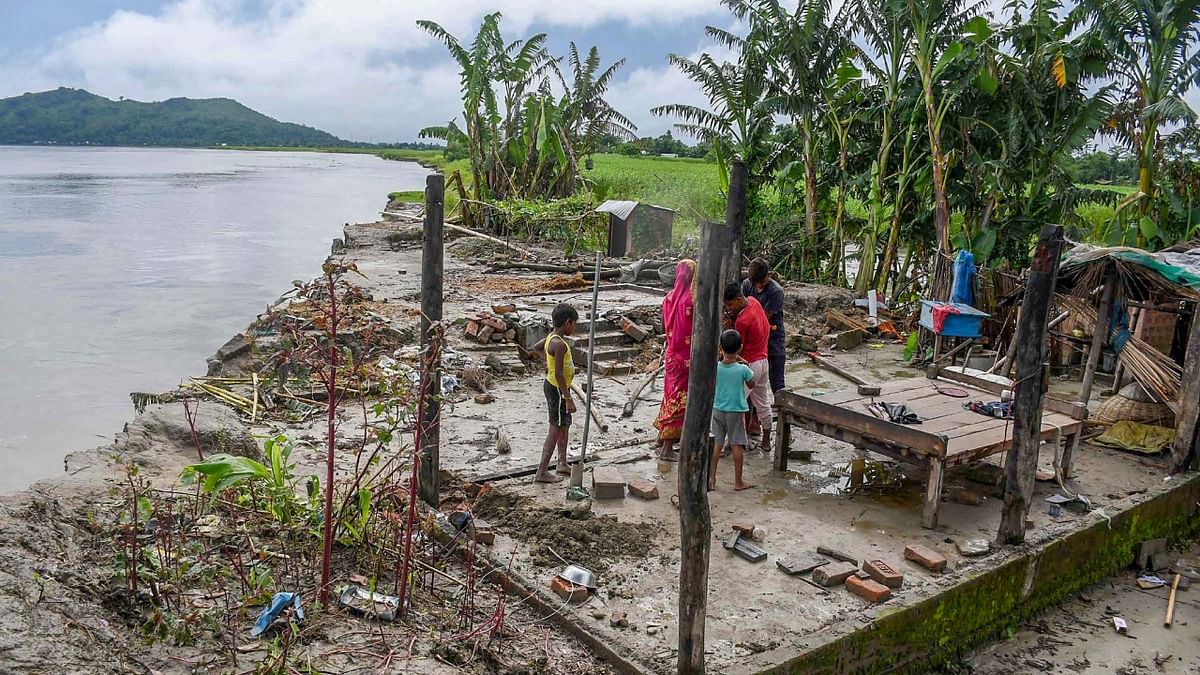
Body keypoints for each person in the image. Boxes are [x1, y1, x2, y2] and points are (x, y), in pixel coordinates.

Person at [653, 259, 696, 462]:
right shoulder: (692, 300)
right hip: (686, 357)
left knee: (669, 394)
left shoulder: (668, 298)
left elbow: (663, 327)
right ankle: (668, 447)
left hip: (671, 354)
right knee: (681, 399)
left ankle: (661, 438)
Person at [723, 281, 773, 452]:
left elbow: (737, 347)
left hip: (749, 363)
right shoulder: (754, 301)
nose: (729, 308)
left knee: (736, 403)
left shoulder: (742, 321)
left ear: (738, 299)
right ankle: (766, 439)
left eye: (730, 304)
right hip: (763, 361)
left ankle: (734, 440)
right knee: (762, 401)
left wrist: (729, 325)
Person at [535, 303, 578, 483]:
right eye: (574, 324)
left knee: (564, 425)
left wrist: (547, 361)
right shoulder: (558, 344)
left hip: (558, 387)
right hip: (558, 390)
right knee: (555, 428)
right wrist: (567, 398)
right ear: (567, 322)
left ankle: (562, 462)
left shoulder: (551, 338)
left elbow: (537, 347)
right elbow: (559, 373)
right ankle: (542, 472)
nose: (574, 327)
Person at [708, 329, 755, 491]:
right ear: (740, 348)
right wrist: (744, 362)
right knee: (736, 444)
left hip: (717, 408)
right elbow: (752, 384)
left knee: (717, 444)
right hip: (735, 411)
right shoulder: (743, 369)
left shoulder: (716, 368)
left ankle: (712, 479)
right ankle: (738, 482)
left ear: (720, 347)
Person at [742, 258, 786, 393]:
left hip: (773, 333)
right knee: (750, 370)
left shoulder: (776, 292)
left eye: (762, 283)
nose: (759, 286)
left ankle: (780, 401)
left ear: (769, 275)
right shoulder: (747, 285)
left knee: (776, 370)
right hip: (753, 334)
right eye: (756, 284)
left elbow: (763, 318)